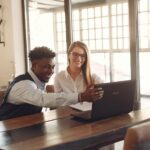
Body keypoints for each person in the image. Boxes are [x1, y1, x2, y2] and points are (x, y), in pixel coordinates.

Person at [0, 46, 103, 121]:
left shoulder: (37, 82)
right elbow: (43, 99)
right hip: (7, 133)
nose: (51, 71)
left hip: (24, 129)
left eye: (53, 67)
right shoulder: (24, 84)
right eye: (46, 67)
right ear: (34, 66)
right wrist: (81, 96)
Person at [54, 41, 114, 150]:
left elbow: (107, 92)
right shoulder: (59, 77)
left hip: (89, 118)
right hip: (69, 119)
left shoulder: (92, 76)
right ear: (69, 54)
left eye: (82, 55)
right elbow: (58, 101)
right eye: (75, 54)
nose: (79, 58)